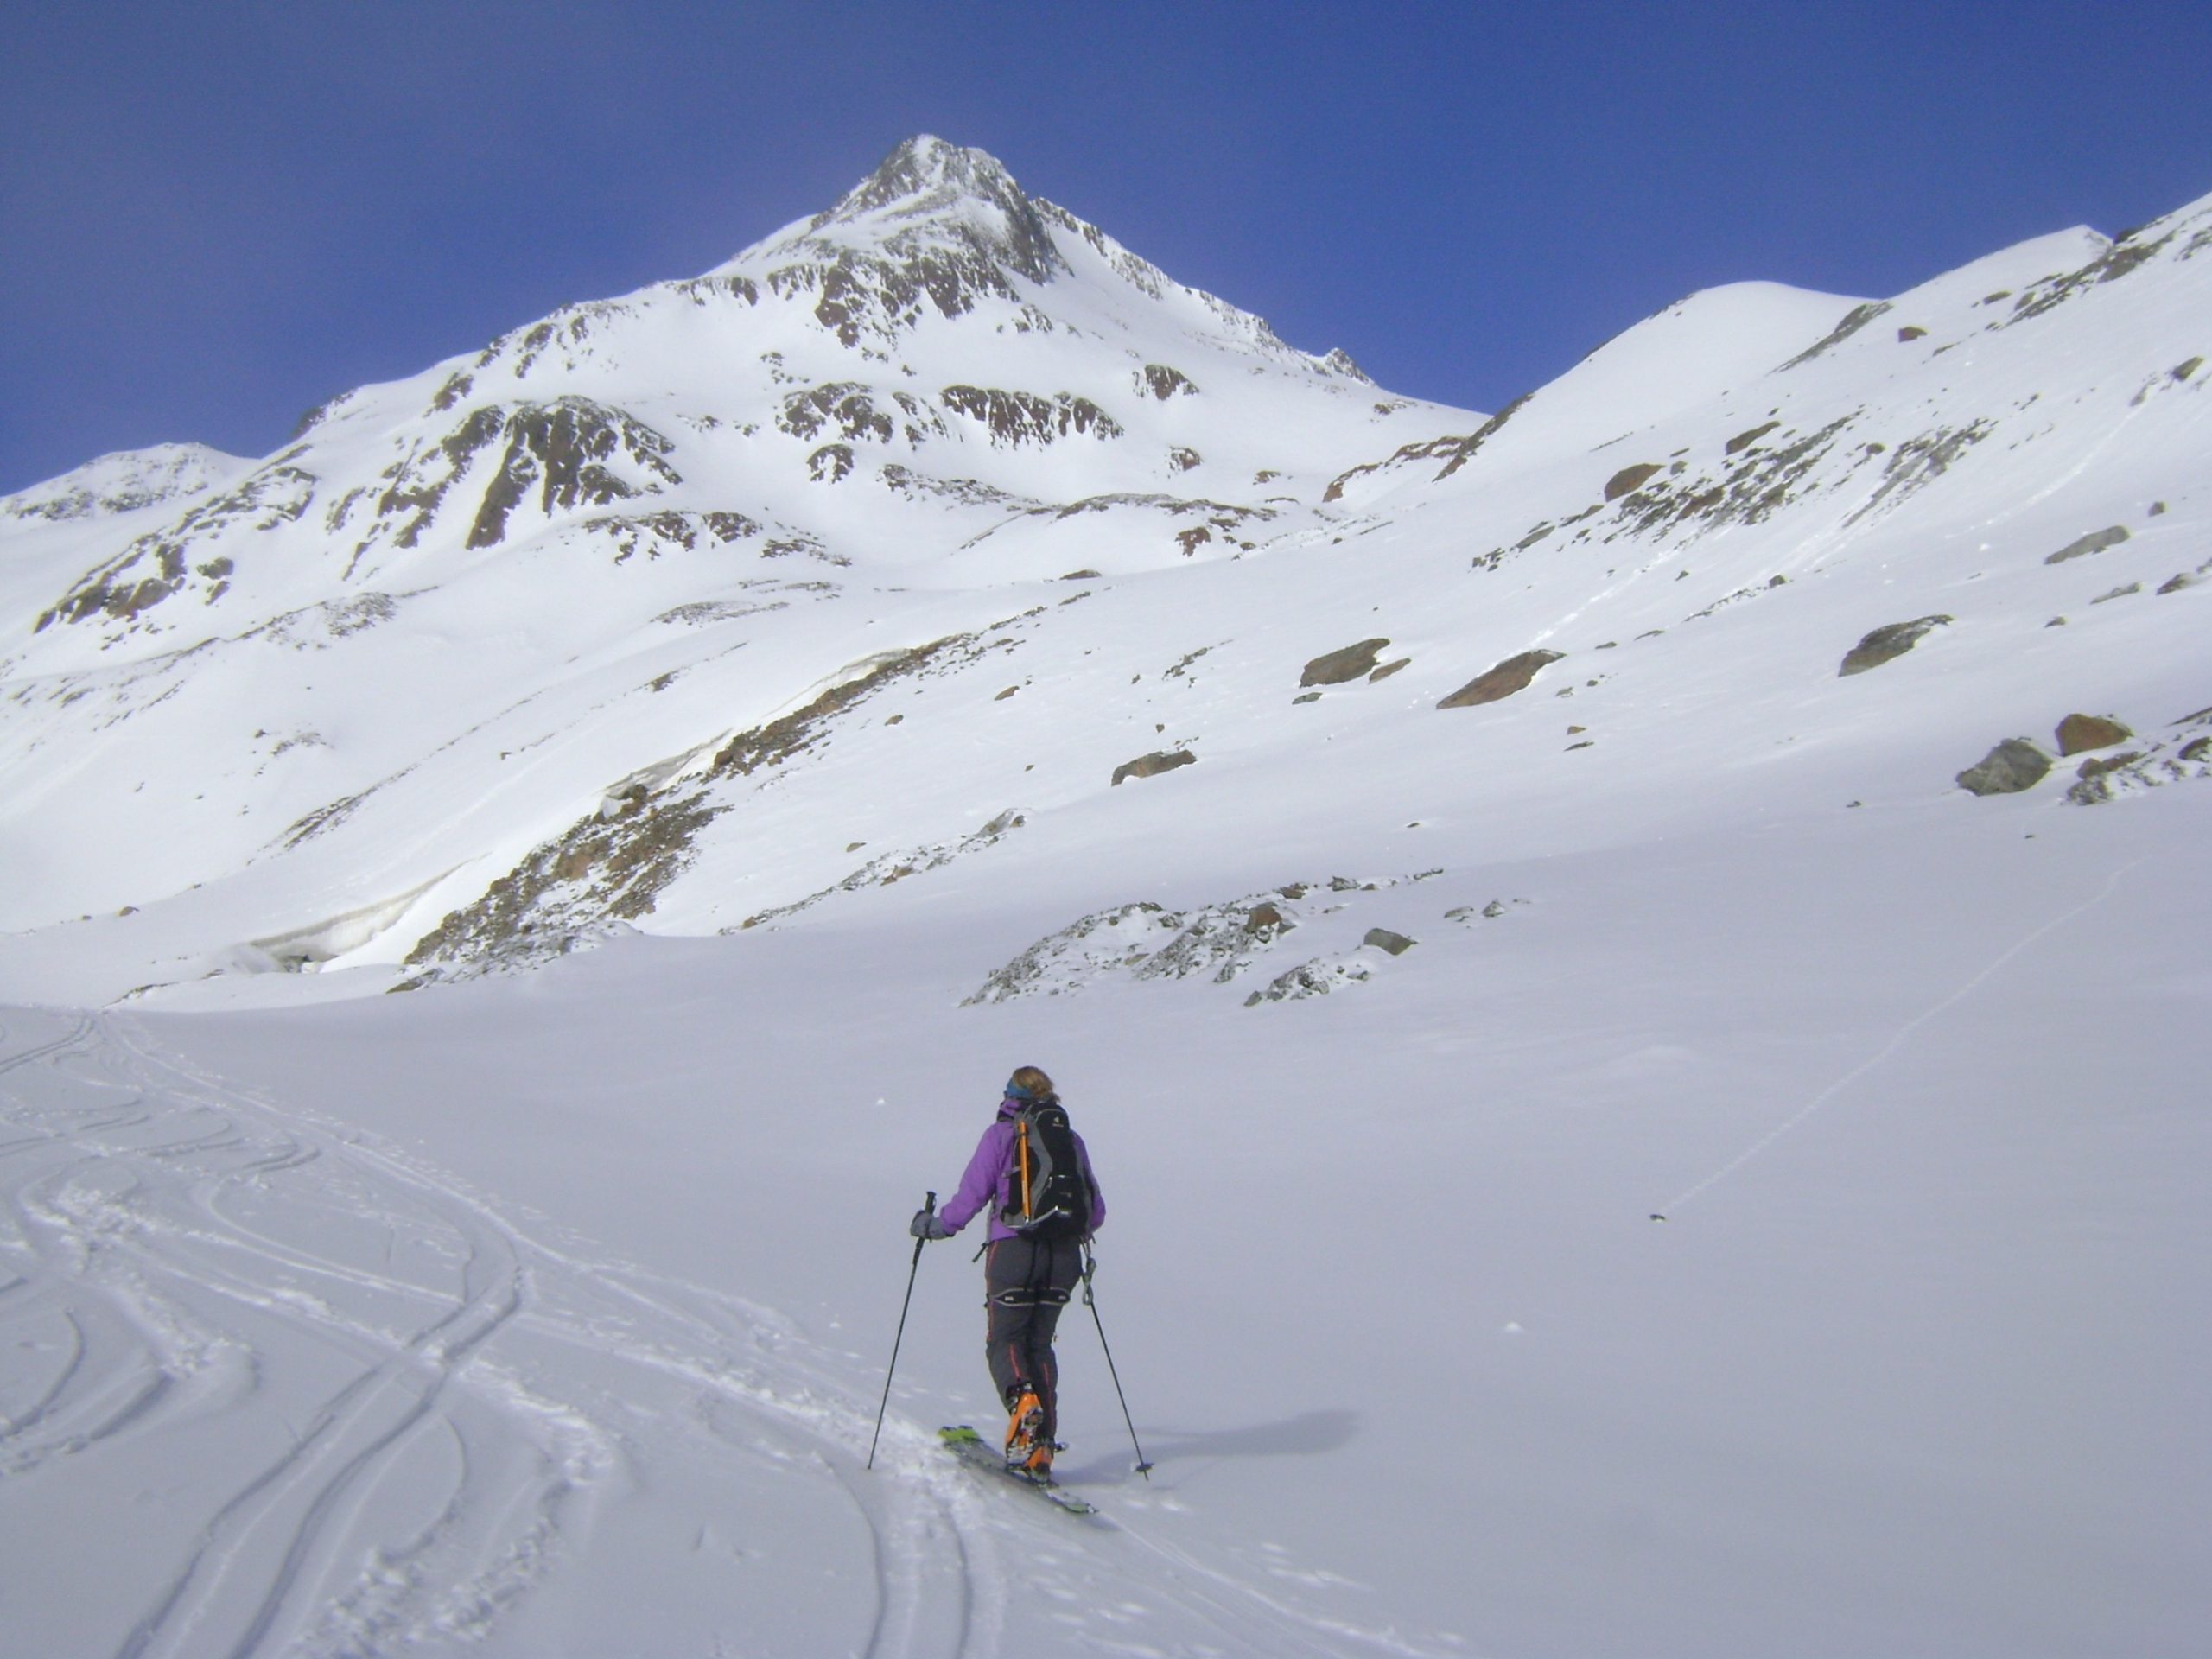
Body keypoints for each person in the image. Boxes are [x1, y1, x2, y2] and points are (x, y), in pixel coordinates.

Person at [911, 1065, 1105, 1477]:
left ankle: (1023, 1404)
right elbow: (1096, 1211)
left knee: (1004, 1341)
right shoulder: (1070, 1140)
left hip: (1014, 1251)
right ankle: (1041, 1447)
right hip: (1065, 1258)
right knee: (1039, 1344)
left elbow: (971, 1196)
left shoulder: (1001, 1135)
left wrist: (935, 1227)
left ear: (1010, 1096)